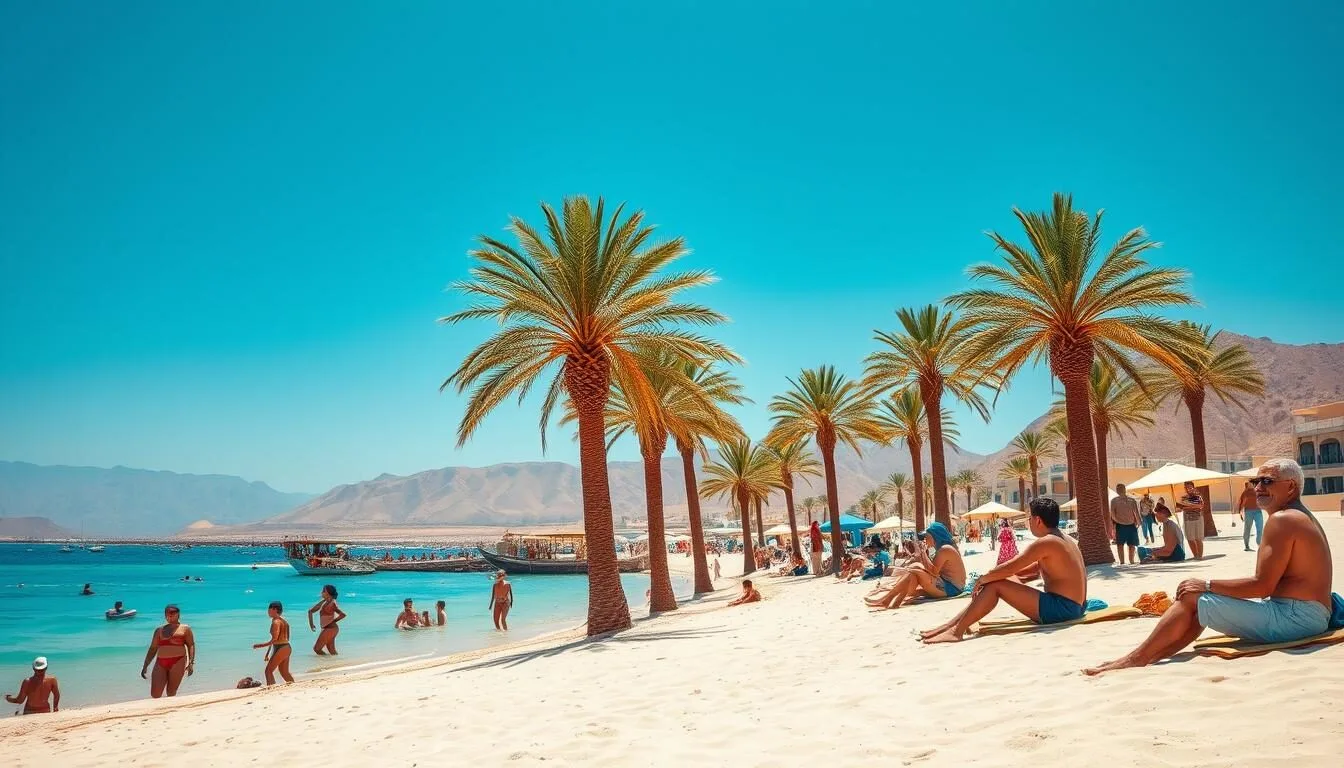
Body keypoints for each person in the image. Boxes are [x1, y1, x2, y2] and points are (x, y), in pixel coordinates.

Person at [1085, 459, 1333, 675]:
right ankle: (1147, 657)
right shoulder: (1301, 515)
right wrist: (1210, 589)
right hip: (1310, 614)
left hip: (1296, 618)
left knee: (1193, 595)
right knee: (1197, 599)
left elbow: (1263, 586)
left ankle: (1136, 659)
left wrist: (1206, 585)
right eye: (1256, 481)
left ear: (1290, 486)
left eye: (1267, 481)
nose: (1258, 487)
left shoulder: (1283, 519)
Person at [920, 498, 1087, 644]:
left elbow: (1011, 566)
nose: (1028, 521)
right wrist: (995, 577)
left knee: (995, 586)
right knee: (996, 580)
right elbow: (1034, 569)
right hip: (1075, 607)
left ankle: (956, 632)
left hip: (1062, 609)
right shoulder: (1066, 539)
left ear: (1038, 521)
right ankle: (952, 625)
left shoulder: (1046, 542)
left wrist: (985, 579)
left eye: (1029, 518)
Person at [865, 523, 966, 610]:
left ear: (934, 536)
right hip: (949, 585)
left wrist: (923, 553)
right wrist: (922, 554)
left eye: (927, 536)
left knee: (915, 568)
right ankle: (894, 601)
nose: (925, 539)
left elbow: (933, 571)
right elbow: (932, 569)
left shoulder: (945, 549)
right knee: (914, 569)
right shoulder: (944, 548)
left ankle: (886, 600)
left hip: (951, 588)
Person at [140, 604, 195, 698]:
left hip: (178, 661)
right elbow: (153, 648)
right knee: (155, 694)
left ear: (178, 614)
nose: (170, 614)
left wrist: (191, 663)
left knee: (171, 692)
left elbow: (191, 645)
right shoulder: (159, 630)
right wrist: (145, 665)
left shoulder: (185, 628)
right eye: (167, 612)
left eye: (173, 612)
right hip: (160, 662)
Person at [252, 601, 294, 686]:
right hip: (286, 647)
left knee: (268, 671)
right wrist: (267, 653)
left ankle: (271, 689)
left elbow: (274, 640)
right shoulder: (285, 622)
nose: (267, 611)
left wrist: (259, 645)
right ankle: (293, 686)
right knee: (284, 672)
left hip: (281, 648)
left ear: (275, 609)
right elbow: (286, 639)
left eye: (269, 609)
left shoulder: (276, 622)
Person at [1109, 483, 1142, 565]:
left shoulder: (1131, 500)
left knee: (1131, 544)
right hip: (1121, 525)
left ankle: (1131, 561)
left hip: (1130, 524)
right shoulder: (1114, 501)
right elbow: (1112, 514)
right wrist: (1116, 522)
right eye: (1118, 488)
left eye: (1120, 488)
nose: (1119, 490)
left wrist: (1139, 522)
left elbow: (1136, 513)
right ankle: (1123, 562)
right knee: (1121, 544)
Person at [308, 584, 346, 655]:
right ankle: (336, 663)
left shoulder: (332, 603)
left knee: (317, 649)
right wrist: (311, 624)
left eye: (323, 591)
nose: (321, 592)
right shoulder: (325, 602)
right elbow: (310, 611)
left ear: (328, 593)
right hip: (330, 628)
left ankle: (326, 662)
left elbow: (342, 615)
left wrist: (333, 621)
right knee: (332, 651)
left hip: (330, 628)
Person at [1176, 481, 1206, 560]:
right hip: (1188, 520)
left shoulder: (1198, 497)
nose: (1188, 489)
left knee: (1198, 538)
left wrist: (1187, 506)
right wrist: (1194, 506)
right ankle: (1195, 555)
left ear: (1193, 487)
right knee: (1190, 539)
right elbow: (1181, 508)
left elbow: (1201, 506)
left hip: (1198, 519)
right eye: (1186, 487)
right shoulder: (1183, 498)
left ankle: (1200, 556)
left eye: (1190, 487)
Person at [1237, 480, 1264, 552]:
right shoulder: (1245, 493)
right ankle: (1246, 545)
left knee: (1260, 528)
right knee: (1247, 529)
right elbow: (1241, 502)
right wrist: (1240, 512)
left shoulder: (1258, 490)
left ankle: (1259, 543)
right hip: (1248, 511)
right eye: (1249, 483)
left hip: (1258, 511)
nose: (1251, 484)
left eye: (1251, 483)